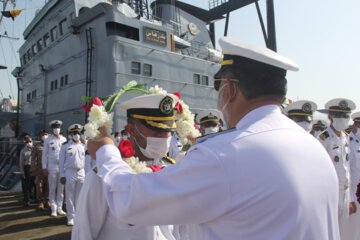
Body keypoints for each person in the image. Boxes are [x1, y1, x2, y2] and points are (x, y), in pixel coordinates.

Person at [88, 37, 340, 239]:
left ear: (229, 89)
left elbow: (130, 202)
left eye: (218, 86)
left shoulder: (225, 153)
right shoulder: (313, 147)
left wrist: (105, 151)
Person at [72, 93, 179, 239]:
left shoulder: (172, 170)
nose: (165, 137)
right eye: (158, 130)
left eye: (169, 131)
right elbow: (83, 233)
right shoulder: (103, 175)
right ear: (132, 129)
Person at [317, 98, 357, 240]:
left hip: (345, 193)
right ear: (330, 116)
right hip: (331, 193)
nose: (343, 119)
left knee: (344, 233)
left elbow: (349, 168)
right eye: (339, 115)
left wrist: (351, 198)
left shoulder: (345, 138)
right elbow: (319, 171)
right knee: (330, 233)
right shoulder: (323, 138)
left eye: (346, 116)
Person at [59, 124, 86, 226]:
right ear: (71, 134)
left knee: (80, 196)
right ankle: (70, 217)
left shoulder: (84, 146)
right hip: (70, 172)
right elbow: (61, 162)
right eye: (74, 133)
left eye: (78, 133)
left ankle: (78, 216)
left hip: (81, 172)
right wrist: (62, 175)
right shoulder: (65, 146)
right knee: (69, 196)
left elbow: (87, 161)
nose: (76, 135)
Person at [42, 120, 67, 217]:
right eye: (55, 128)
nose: (57, 129)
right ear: (52, 129)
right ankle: (53, 208)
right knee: (52, 188)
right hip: (51, 166)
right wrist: (44, 167)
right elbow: (44, 154)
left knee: (61, 189)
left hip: (62, 167)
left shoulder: (64, 139)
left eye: (58, 127)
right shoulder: (48, 139)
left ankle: (60, 208)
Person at [31, 130, 49, 210]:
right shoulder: (36, 146)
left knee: (48, 185)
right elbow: (33, 158)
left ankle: (47, 201)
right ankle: (41, 202)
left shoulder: (50, 145)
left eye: (45, 134)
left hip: (49, 169)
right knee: (39, 185)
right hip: (39, 169)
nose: (44, 136)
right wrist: (33, 169)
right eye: (42, 135)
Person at [349, 112, 360, 239]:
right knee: (353, 231)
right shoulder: (348, 142)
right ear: (355, 125)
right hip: (354, 194)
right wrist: (350, 197)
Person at [19, 135, 34, 207]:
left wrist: (32, 149)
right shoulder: (23, 150)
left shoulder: (36, 148)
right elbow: (21, 162)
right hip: (27, 167)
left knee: (34, 184)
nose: (29, 143)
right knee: (26, 185)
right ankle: (27, 200)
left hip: (35, 168)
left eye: (30, 141)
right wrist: (22, 172)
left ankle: (37, 198)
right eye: (27, 141)